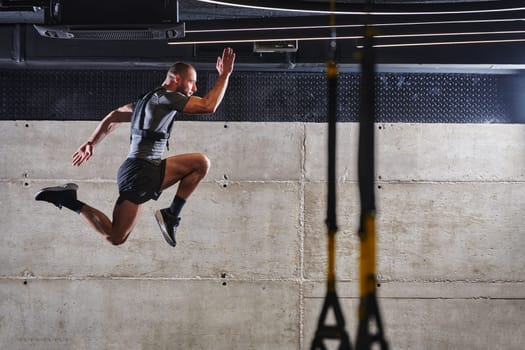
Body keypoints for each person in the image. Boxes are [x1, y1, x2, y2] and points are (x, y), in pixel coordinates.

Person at [35, 47, 236, 247]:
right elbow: (208, 106)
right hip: (142, 171)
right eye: (192, 82)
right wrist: (224, 75)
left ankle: (69, 199)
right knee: (200, 163)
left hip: (138, 169)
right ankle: (171, 215)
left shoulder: (146, 101)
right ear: (176, 79)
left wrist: (91, 142)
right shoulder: (167, 96)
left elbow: (115, 115)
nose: (194, 89)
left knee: (117, 236)